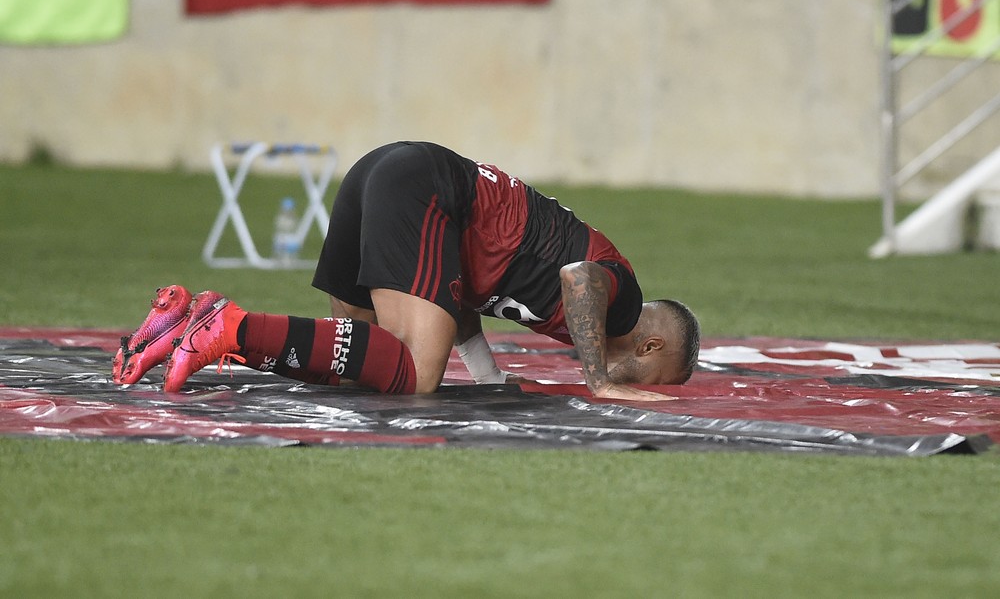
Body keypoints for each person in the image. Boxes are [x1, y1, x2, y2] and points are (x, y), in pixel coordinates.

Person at [114, 142, 700, 401]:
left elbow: (462, 291)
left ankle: (188, 325)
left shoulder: (580, 296)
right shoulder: (622, 304)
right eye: (649, 377)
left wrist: (489, 378)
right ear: (649, 345)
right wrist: (601, 382)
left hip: (385, 173)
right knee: (415, 375)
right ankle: (229, 325)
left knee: (358, 364)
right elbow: (578, 280)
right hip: (425, 188)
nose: (638, 387)